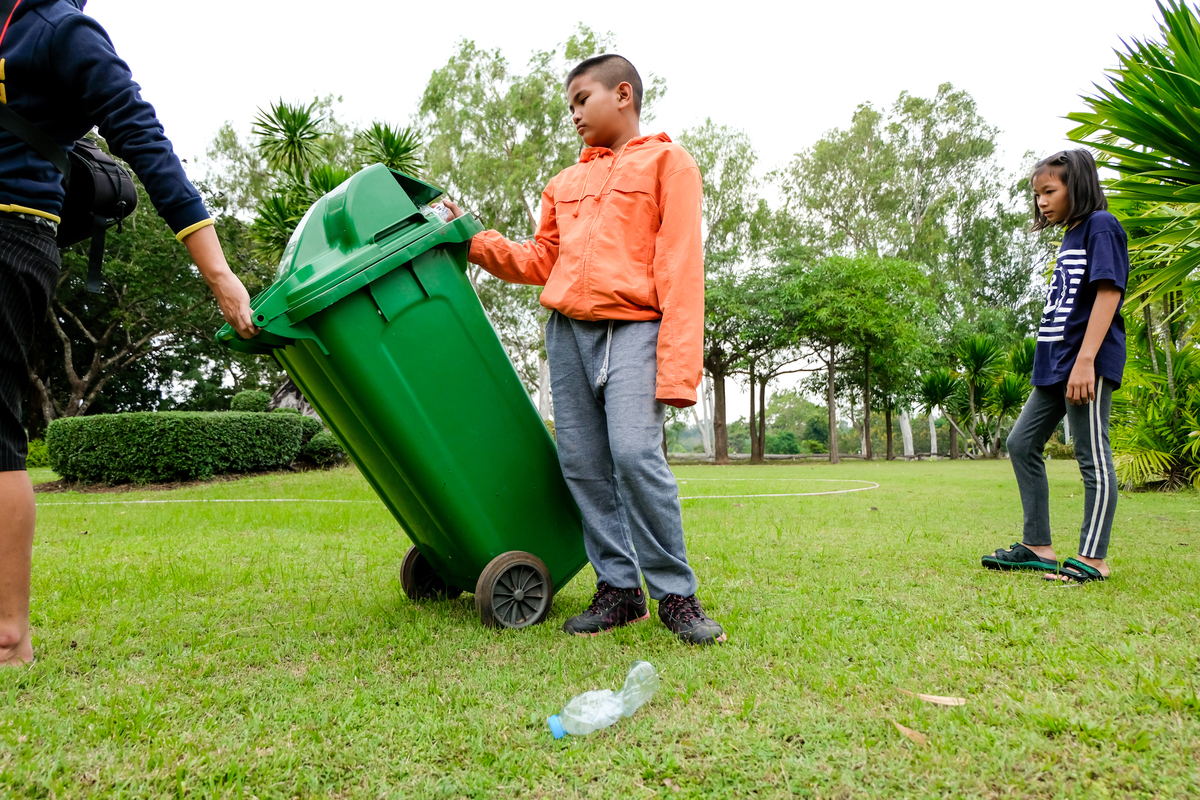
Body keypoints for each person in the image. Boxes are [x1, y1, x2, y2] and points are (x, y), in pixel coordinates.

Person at [0, 0, 258, 665]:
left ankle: (8, 638)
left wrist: (219, 272)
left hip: (11, 233)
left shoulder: (61, 30)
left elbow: (145, 142)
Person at [443, 54, 725, 644]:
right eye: (569, 104)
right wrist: (473, 236)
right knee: (582, 464)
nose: (573, 113)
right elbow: (539, 261)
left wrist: (677, 372)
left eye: (582, 99)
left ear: (623, 95)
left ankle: (675, 594)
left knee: (633, 453)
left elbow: (680, 269)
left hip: (636, 330)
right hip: (567, 334)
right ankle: (619, 590)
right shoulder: (563, 184)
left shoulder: (668, 164)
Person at [982, 149, 1127, 584]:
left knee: (1091, 454)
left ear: (1076, 186)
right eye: (1037, 194)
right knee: (1022, 443)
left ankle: (1093, 558)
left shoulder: (1101, 226)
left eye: (1050, 191)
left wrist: (1086, 362)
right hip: (1056, 362)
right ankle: (1038, 546)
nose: (1042, 201)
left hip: (1086, 362)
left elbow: (1108, 294)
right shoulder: (1071, 234)